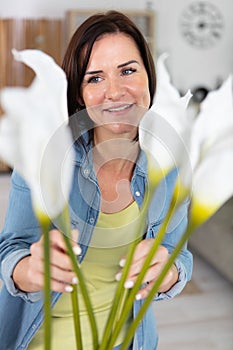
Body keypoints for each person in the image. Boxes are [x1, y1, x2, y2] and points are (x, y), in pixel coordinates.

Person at [0, 10, 193, 350]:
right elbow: (10, 251)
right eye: (95, 78)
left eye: (128, 71)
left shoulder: (171, 164)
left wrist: (170, 272)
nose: (115, 92)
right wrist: (31, 270)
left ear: (149, 77)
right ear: (78, 95)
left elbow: (179, 256)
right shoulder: (45, 156)